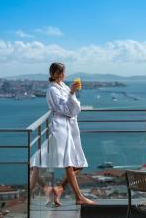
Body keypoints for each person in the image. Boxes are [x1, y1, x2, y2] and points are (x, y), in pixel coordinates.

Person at [47, 62, 96, 206]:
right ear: (52, 74)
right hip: (61, 126)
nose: (62, 75)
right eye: (59, 72)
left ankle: (59, 188)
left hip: (71, 126)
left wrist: (72, 93)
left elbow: (75, 107)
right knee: (68, 162)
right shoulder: (52, 90)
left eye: (63, 72)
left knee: (79, 163)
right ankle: (79, 197)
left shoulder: (63, 86)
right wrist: (72, 93)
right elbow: (66, 109)